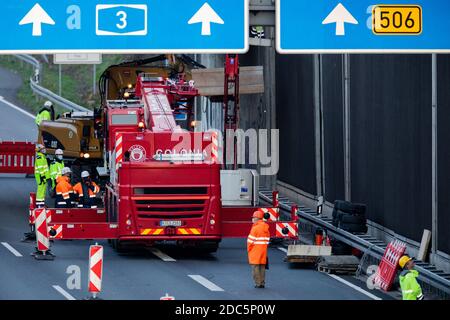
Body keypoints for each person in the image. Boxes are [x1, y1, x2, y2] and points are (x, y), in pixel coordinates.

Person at [247, 210, 270, 288]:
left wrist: (249, 250)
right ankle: (262, 283)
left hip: (255, 251)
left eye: (253, 218)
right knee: (262, 267)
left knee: (255, 267)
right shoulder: (266, 228)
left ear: (256, 218)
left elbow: (250, 242)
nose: (252, 219)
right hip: (263, 250)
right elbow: (267, 241)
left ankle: (258, 283)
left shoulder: (255, 228)